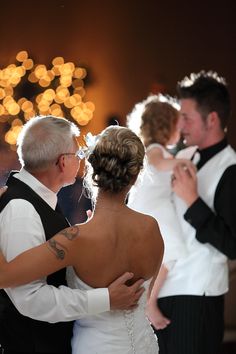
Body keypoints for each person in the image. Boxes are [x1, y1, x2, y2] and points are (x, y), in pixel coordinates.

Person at [0, 125, 164, 353]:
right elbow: (143, 299)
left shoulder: (75, 239)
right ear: (135, 176)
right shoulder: (151, 228)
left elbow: (4, 275)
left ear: (91, 170)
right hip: (144, 343)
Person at [155, 71, 236, 354]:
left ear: (212, 119)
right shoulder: (185, 157)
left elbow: (233, 245)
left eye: (187, 117)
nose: (181, 125)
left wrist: (193, 202)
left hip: (196, 298)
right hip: (163, 291)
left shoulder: (231, 169)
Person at [127, 94, 193, 330]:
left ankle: (147, 299)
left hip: (150, 207)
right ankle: (149, 300)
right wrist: (182, 163)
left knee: (160, 257)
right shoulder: (156, 150)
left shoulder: (150, 149)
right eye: (178, 125)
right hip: (155, 210)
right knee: (171, 252)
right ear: (167, 127)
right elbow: (158, 164)